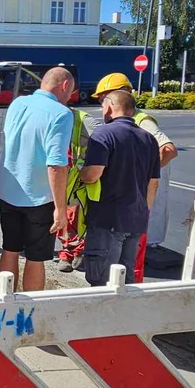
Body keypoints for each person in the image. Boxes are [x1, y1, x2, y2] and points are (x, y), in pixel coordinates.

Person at [0, 67, 75, 291]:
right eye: (70, 93)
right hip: (39, 196)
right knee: (36, 258)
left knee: (9, 248)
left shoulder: (18, 104)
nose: (69, 98)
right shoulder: (61, 114)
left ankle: (4, 301)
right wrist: (60, 208)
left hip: (8, 189)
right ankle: (30, 311)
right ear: (65, 85)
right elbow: (56, 165)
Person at [92, 73, 179, 282]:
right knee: (123, 264)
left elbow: (169, 150)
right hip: (134, 202)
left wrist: (141, 172)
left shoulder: (142, 121)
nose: (101, 104)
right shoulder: (127, 121)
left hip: (134, 201)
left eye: (103, 98)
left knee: (126, 265)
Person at [79, 90, 160, 286]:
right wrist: (143, 212)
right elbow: (153, 182)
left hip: (108, 219)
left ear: (109, 107)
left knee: (102, 282)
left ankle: (101, 317)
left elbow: (93, 174)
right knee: (125, 280)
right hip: (136, 219)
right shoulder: (148, 139)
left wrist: (80, 173)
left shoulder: (104, 133)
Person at [57, 101, 97, 273]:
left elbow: (104, 143)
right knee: (60, 217)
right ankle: (68, 252)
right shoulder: (52, 116)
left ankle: (75, 251)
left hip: (76, 178)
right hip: (57, 175)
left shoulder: (84, 120)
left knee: (74, 217)